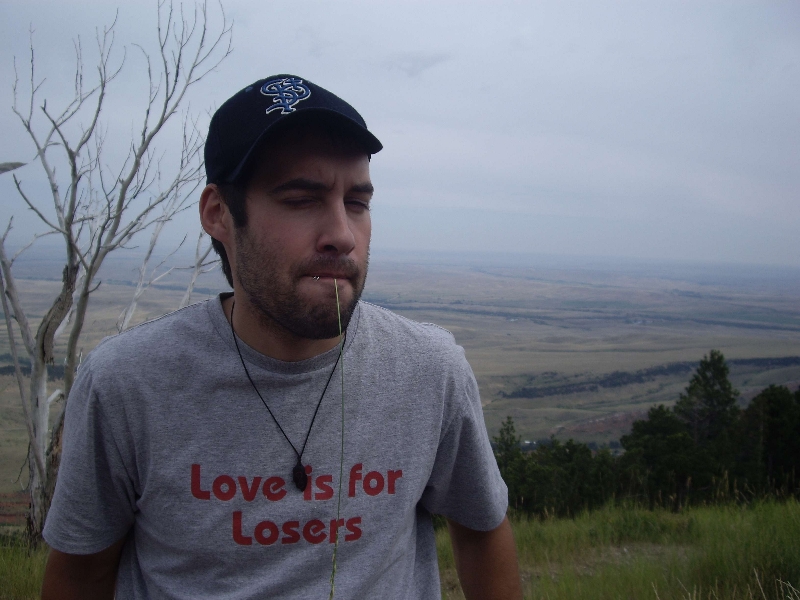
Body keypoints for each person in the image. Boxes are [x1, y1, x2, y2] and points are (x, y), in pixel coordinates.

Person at [41, 75, 522, 599]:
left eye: (357, 203)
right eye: (300, 199)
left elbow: (482, 532)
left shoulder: (428, 369)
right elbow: (82, 573)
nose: (342, 235)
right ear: (219, 214)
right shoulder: (128, 384)